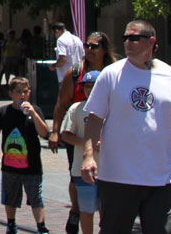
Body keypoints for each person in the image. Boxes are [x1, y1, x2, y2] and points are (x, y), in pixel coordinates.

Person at [81, 19, 171, 234]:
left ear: (151, 41)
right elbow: (94, 118)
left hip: (159, 179)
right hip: (117, 178)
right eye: (125, 37)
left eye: (134, 38)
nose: (127, 42)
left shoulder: (170, 76)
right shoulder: (111, 74)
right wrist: (88, 156)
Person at [50, 31, 119, 234]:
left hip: (108, 138)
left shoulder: (115, 71)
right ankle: (76, 210)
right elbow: (62, 103)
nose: (89, 49)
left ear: (104, 49)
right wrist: (55, 131)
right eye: (87, 46)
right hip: (80, 130)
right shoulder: (76, 72)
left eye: (94, 46)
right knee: (77, 174)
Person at [0, 76, 50, 234]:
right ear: (11, 94)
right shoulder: (4, 112)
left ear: (29, 93)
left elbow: (44, 133)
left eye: (25, 92)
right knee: (11, 196)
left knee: (36, 196)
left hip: (32, 165)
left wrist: (34, 115)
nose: (22, 95)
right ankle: (11, 224)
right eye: (18, 92)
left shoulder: (35, 110)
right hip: (11, 164)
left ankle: (41, 227)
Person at [60, 69, 102, 234]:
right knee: (86, 209)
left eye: (94, 86)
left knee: (107, 211)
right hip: (82, 170)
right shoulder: (76, 109)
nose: (90, 90)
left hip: (108, 171)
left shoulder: (111, 108)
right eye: (87, 86)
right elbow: (66, 135)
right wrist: (87, 143)